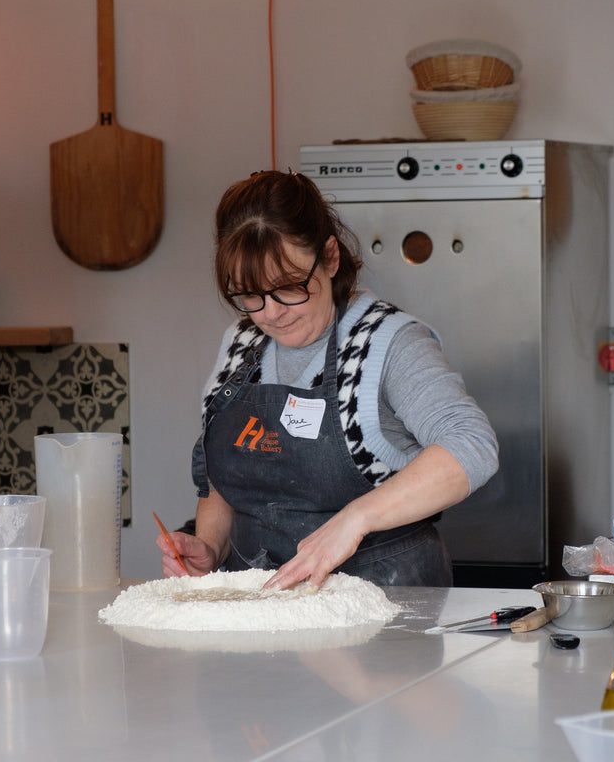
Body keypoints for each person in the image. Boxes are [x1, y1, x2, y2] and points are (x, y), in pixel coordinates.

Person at [157, 170, 498, 589]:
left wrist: (355, 520)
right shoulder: (241, 343)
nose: (270, 313)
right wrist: (211, 548)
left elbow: (471, 445)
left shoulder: (387, 343)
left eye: (287, 287)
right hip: (258, 609)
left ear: (331, 258)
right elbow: (225, 481)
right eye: (249, 294)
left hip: (381, 603)